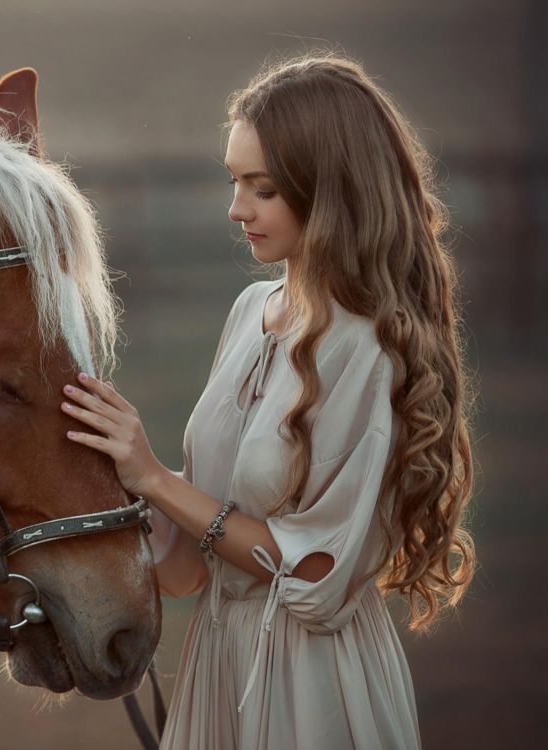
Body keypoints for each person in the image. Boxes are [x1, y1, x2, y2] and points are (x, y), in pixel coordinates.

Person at [61, 54, 476, 749]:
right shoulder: (251, 310)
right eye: (234, 182)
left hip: (313, 691)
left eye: (264, 189)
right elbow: (192, 572)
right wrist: (117, 478)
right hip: (217, 671)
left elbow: (314, 582)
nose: (236, 209)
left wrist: (157, 478)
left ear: (331, 190)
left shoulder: (368, 350)